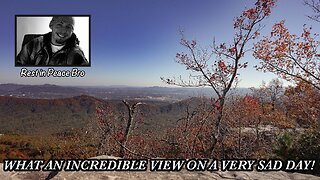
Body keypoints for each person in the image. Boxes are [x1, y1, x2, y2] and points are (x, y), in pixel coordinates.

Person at [16, 16, 88, 66]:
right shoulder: (34, 44)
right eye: (59, 24)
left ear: (72, 31)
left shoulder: (77, 53)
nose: (63, 31)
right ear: (51, 25)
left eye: (68, 27)